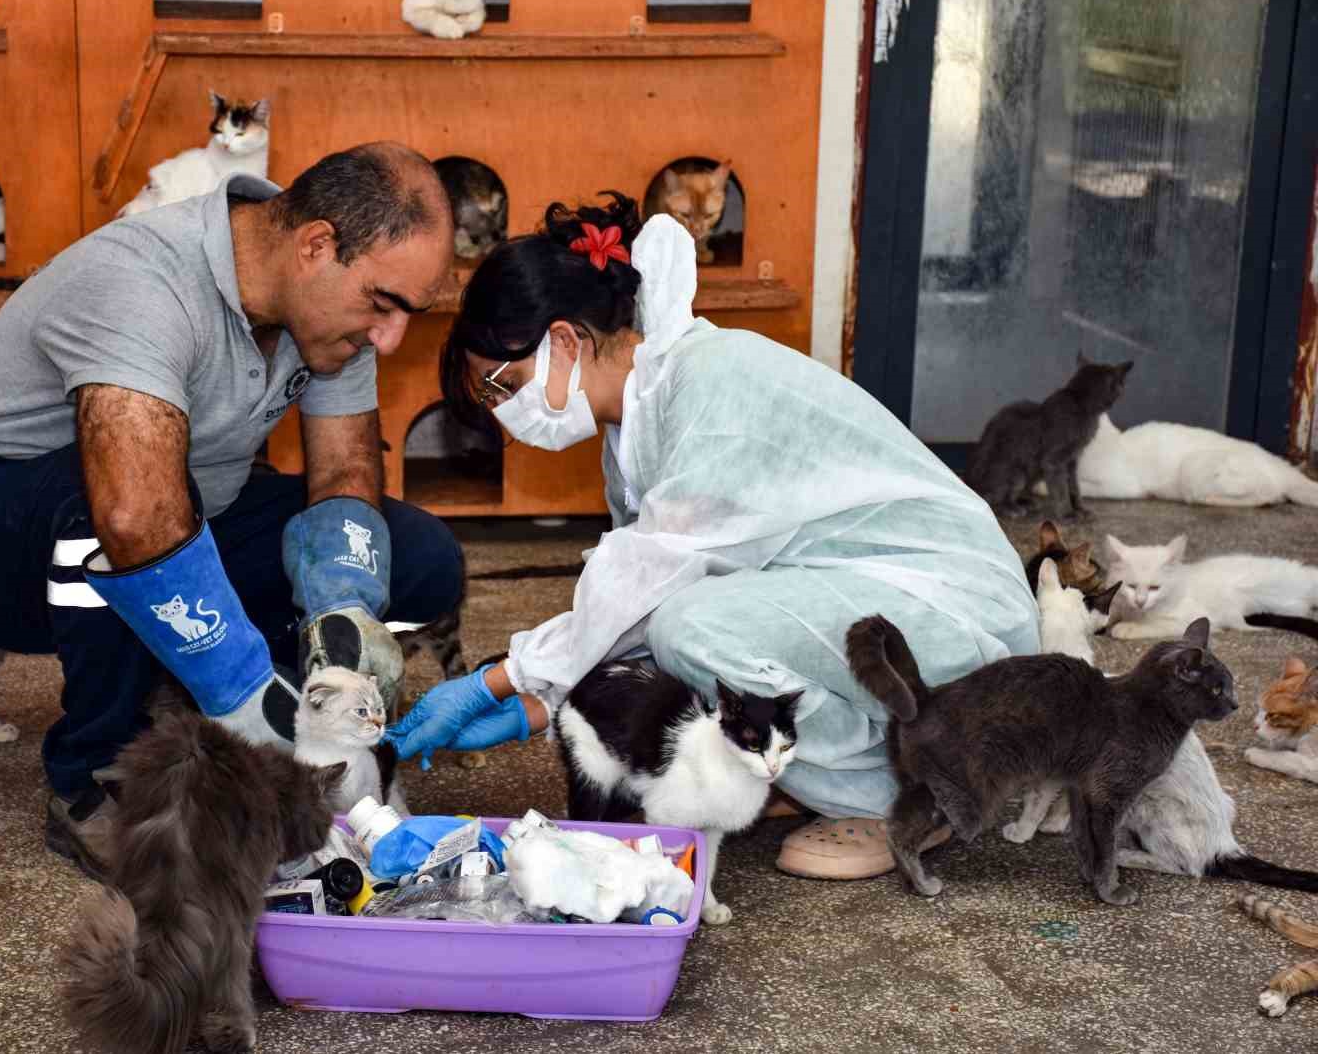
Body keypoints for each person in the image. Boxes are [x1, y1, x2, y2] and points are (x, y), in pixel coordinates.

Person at [386, 194, 1038, 879]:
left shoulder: (711, 385)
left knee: (688, 631)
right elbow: (630, 603)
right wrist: (532, 706)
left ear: (565, 341)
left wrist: (503, 679)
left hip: (959, 625)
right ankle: (828, 765)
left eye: (503, 385)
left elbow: (656, 591)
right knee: (673, 642)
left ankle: (907, 796)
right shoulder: (641, 420)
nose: (504, 415)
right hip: (889, 611)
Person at [0, 144, 463, 878]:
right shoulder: (141, 279)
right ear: (315, 245)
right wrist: (247, 698)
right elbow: (134, 511)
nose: (390, 336)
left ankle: (277, 743)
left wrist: (341, 637)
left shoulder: (330, 311)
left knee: (414, 551)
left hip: (175, 514)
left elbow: (344, 476)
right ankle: (95, 780)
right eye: (384, 305)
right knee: (118, 506)